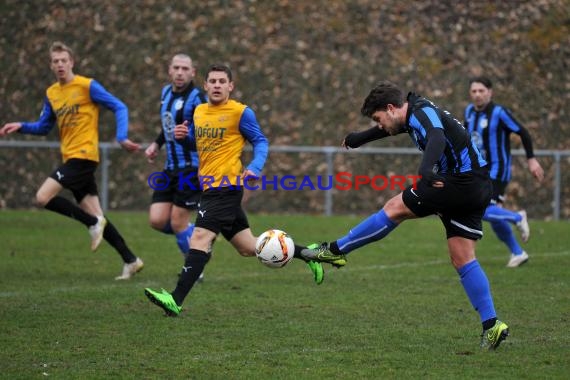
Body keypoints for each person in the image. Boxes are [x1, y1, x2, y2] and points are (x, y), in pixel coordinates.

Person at [301, 81, 509, 350]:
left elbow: (436, 137)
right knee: (462, 257)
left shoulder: (421, 114)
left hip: (455, 182)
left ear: (391, 108)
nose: (380, 123)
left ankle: (335, 250)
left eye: (378, 118)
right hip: (478, 184)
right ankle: (491, 325)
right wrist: (359, 138)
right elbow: (392, 129)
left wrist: (425, 170)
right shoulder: (413, 112)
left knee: (393, 209)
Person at [144, 64, 324, 316]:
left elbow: (260, 140)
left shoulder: (240, 112)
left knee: (199, 239)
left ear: (231, 86)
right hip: (209, 188)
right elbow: (199, 143)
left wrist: (255, 166)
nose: (217, 85)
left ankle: (175, 299)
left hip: (225, 189)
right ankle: (310, 254)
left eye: (222, 81)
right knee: (249, 247)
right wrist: (183, 136)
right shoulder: (199, 112)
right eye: (213, 81)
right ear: (205, 86)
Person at [0, 41, 144, 280]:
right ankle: (131, 260)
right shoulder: (52, 93)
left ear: (71, 62)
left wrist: (121, 136)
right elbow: (44, 127)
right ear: (51, 65)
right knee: (101, 218)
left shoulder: (87, 86)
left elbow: (119, 106)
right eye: (55, 61)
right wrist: (21, 126)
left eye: (63, 61)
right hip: (72, 157)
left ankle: (90, 223)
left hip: (84, 156)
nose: (59, 65)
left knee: (42, 197)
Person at [465, 76, 544, 268]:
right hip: (478, 172)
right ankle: (518, 252)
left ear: (490, 92)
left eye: (481, 91)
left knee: (480, 209)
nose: (477, 95)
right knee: (494, 215)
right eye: (474, 91)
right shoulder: (469, 112)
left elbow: (523, 132)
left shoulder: (499, 113)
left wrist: (531, 160)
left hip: (497, 171)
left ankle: (518, 217)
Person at [144, 54, 207, 278]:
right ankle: (199, 239)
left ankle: (194, 269)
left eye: (185, 68)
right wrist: (156, 144)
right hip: (170, 168)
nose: (180, 72)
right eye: (176, 68)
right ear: (169, 70)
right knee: (157, 220)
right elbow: (168, 125)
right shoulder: (165, 93)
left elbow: (206, 132)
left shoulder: (198, 97)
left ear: (193, 72)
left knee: (178, 221)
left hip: (191, 168)